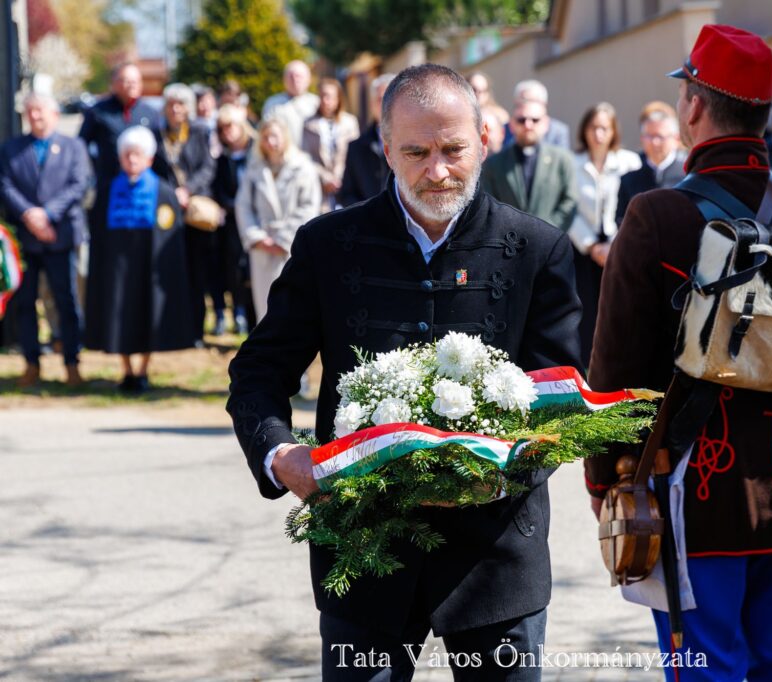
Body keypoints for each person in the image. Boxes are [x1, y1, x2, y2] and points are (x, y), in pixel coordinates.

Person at [225, 63, 581, 681]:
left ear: (484, 141)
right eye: (416, 152)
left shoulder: (537, 249)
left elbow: (560, 397)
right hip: (364, 554)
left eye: (453, 149)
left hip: (496, 558)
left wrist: (505, 468)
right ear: (386, 150)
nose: (437, 171)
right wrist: (281, 455)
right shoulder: (327, 245)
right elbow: (258, 370)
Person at [584, 25, 772, 681]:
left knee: (706, 670)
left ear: (694, 105)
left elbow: (615, 369)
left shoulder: (655, 216)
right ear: (764, 112)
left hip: (693, 492)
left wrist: (605, 479)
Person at [84, 126, 193, 392]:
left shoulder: (164, 192)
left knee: (148, 313)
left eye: (137, 155)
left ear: (149, 159)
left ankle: (143, 370)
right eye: (127, 155)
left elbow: (170, 235)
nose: (132, 160)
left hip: (149, 266)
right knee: (118, 315)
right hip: (117, 267)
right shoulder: (107, 191)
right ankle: (127, 371)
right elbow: (98, 232)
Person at [0, 92, 90, 387]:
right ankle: (31, 363)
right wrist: (30, 215)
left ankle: (72, 363)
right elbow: (5, 184)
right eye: (30, 111)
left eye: (40, 110)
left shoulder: (73, 147)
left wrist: (48, 214)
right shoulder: (12, 148)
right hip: (26, 240)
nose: (35, 116)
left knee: (67, 301)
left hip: (60, 236)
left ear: (54, 114)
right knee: (26, 303)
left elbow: (79, 184)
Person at [568, 102, 640, 363]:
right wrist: (590, 245)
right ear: (584, 130)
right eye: (593, 128)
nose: (598, 134)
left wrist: (614, 244)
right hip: (583, 248)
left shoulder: (628, 162)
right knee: (586, 310)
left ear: (613, 131)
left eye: (604, 128)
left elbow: (633, 207)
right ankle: (587, 365)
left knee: (618, 306)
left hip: (618, 246)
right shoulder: (572, 162)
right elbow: (568, 207)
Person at [234, 118, 321, 322]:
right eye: (265, 137)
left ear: (285, 137)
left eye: (275, 136)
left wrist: (284, 239)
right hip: (262, 249)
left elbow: (309, 206)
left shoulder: (303, 167)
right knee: (265, 308)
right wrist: (257, 237)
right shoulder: (254, 168)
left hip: (293, 247)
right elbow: (243, 205)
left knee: (295, 308)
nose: (271, 142)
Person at [161, 83, 216, 346]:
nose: (176, 109)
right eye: (171, 104)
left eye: (181, 104)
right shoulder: (158, 133)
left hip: (196, 211)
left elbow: (208, 167)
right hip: (168, 211)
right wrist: (172, 194)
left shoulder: (200, 131)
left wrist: (188, 190)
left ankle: (196, 331)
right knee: (171, 272)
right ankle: (173, 329)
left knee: (197, 274)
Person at [480, 97, 577, 233]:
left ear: (546, 124)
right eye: (522, 120)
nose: (528, 125)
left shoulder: (562, 160)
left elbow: (570, 201)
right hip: (508, 239)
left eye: (535, 120)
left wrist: (547, 232)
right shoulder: (494, 163)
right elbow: (489, 204)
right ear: (512, 124)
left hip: (550, 239)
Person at [79, 63, 172, 187]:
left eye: (135, 81)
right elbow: (80, 145)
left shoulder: (151, 113)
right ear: (114, 83)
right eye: (127, 81)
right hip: (109, 185)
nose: (132, 85)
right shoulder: (98, 112)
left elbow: (160, 152)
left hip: (143, 187)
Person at [210, 104, 257, 335]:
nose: (227, 132)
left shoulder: (256, 153)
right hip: (231, 223)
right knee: (234, 268)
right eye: (222, 128)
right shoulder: (222, 158)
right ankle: (239, 314)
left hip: (257, 219)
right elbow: (219, 189)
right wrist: (233, 207)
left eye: (230, 126)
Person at [615, 105, 687, 225]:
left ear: (676, 138)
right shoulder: (629, 179)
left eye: (660, 136)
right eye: (649, 136)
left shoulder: (687, 175)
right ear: (642, 138)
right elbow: (621, 221)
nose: (655, 142)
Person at [301, 78, 360, 212]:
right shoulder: (309, 124)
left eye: (329, 96)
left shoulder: (350, 122)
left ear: (338, 98)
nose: (325, 100)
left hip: (345, 185)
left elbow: (354, 155)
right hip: (319, 188)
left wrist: (338, 177)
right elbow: (306, 157)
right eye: (322, 96)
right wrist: (325, 178)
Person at [338, 73, 394, 207]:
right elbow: (346, 193)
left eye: (391, 99)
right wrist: (366, 213)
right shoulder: (356, 148)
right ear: (372, 104)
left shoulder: (417, 144)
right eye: (381, 99)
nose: (386, 105)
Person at [261, 60, 320, 147]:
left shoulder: (317, 103)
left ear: (308, 79)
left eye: (299, 76)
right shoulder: (272, 104)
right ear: (284, 79)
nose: (295, 80)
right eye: (291, 76)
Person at [502, 79, 571, 150]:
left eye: (533, 101)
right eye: (523, 101)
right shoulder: (503, 130)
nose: (528, 125)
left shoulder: (557, 131)